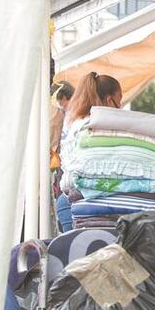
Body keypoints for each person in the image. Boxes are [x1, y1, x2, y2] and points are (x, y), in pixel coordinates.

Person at [58, 73, 122, 231]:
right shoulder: (102, 127)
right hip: (88, 202)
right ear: (109, 100)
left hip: (70, 200)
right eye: (119, 101)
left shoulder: (75, 124)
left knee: (80, 253)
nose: (120, 108)